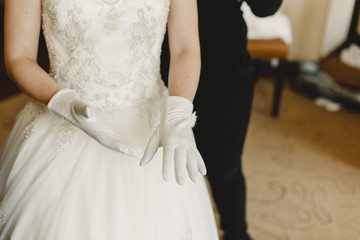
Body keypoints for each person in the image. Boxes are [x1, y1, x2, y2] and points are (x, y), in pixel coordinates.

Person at [0, 0, 219, 239]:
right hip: (64, 116)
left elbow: (185, 47)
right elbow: (19, 57)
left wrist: (178, 110)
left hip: (149, 124)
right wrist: (64, 102)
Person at [161, 0, 283, 239]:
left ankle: (236, 233)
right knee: (164, 168)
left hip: (224, 70)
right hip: (157, 73)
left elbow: (266, 7)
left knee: (225, 169)